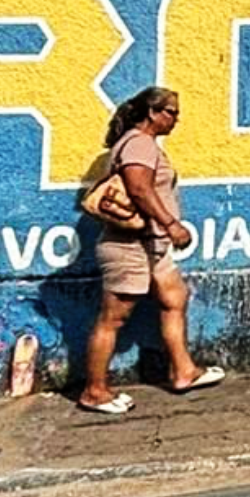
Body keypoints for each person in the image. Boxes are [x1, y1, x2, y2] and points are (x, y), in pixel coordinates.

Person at [77, 86, 223, 415]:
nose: (176, 119)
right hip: (129, 247)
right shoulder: (140, 143)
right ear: (152, 113)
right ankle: (94, 391)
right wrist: (172, 224)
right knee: (113, 318)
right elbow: (139, 189)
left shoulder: (140, 144)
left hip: (150, 245)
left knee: (175, 298)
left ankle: (183, 371)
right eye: (171, 112)